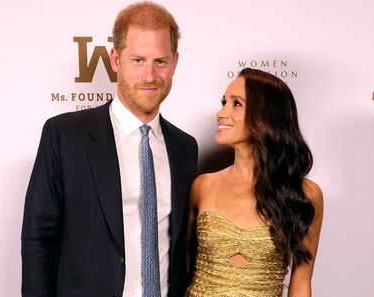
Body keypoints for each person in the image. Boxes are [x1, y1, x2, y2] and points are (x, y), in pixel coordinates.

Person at [21, 2, 198, 297]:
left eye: (160, 62)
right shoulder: (65, 135)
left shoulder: (185, 148)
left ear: (175, 62)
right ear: (115, 59)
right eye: (138, 60)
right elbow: (38, 238)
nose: (150, 75)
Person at [187, 68, 323, 297]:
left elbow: (301, 283)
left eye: (236, 104)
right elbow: (184, 269)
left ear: (266, 115)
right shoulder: (203, 186)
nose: (221, 112)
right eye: (224, 102)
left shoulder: (305, 194)